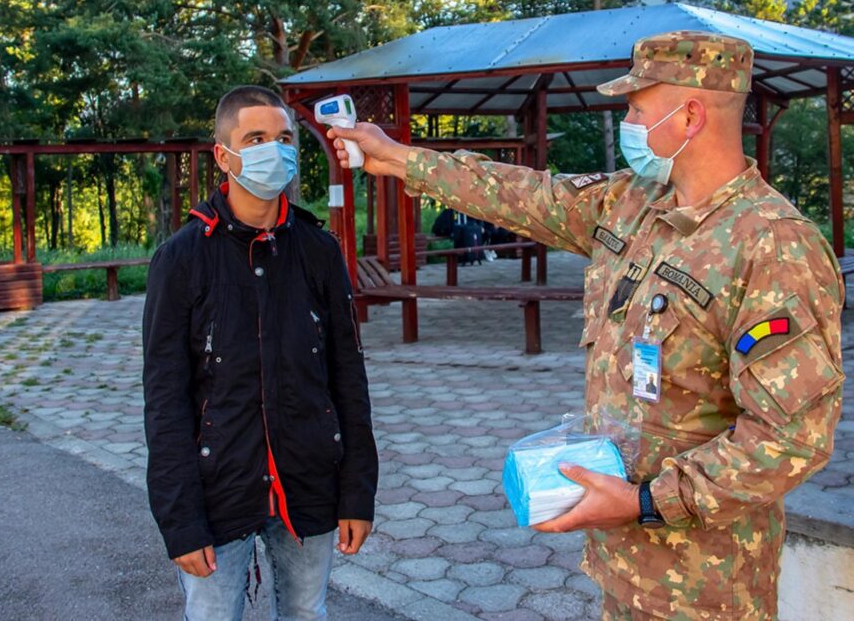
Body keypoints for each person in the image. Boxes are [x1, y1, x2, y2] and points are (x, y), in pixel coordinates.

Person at [327, 32, 843, 621]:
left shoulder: (772, 245)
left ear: (691, 115)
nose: (628, 121)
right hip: (623, 564)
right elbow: (525, 195)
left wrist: (644, 501)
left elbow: (789, 437)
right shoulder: (636, 204)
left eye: (638, 108)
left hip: (707, 584)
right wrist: (394, 156)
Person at [143, 85, 377, 621]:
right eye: (257, 138)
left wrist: (357, 491)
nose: (276, 149)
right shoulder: (180, 260)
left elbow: (348, 376)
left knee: (305, 612)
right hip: (216, 487)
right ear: (224, 155)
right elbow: (164, 399)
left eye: (284, 138)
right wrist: (179, 519)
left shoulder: (319, 251)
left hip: (310, 479)